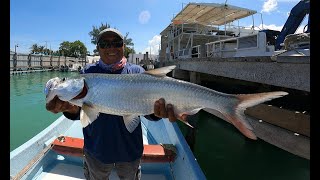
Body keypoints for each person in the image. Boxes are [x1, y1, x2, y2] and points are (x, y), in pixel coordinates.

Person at [46, 28, 185, 180]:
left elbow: (149, 112)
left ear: (123, 46)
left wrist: (157, 113)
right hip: (96, 150)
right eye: (105, 44)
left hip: (130, 151)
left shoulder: (137, 72)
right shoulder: (87, 72)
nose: (111, 48)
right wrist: (68, 108)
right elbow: (80, 112)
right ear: (98, 48)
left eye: (116, 43)